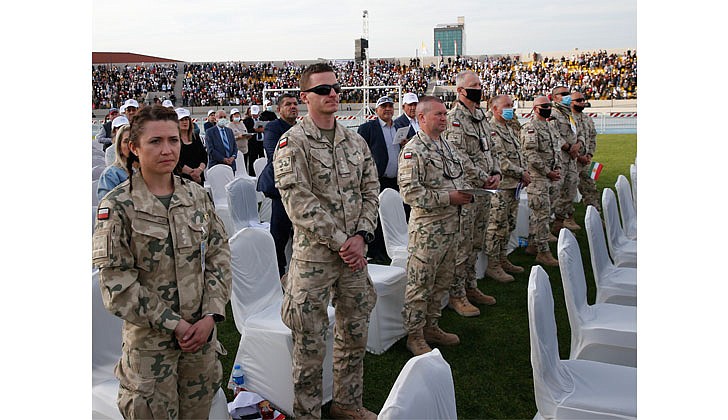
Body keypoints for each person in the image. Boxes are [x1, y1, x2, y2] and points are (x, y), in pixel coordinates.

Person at [92, 105, 231, 419]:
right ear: (134, 148)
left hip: (201, 341)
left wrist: (211, 314)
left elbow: (219, 255)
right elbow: (118, 287)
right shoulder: (117, 206)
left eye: (173, 140)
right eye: (155, 141)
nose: (167, 149)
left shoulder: (197, 196)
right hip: (150, 351)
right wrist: (177, 325)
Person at [273, 63, 379, 419]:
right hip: (314, 260)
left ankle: (347, 405)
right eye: (322, 90)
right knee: (309, 345)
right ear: (305, 98)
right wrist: (343, 243)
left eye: (335, 88)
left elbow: (371, 190)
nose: (332, 94)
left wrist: (362, 236)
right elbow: (298, 203)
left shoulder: (355, 141)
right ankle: (307, 414)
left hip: (353, 256)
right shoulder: (293, 143)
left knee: (354, 333)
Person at [398, 96, 492, 355]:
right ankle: (414, 335)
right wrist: (448, 197)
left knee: (441, 282)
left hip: (453, 227)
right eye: (438, 114)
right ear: (422, 118)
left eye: (444, 114)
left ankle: (432, 326)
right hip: (428, 232)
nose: (444, 118)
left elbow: (458, 177)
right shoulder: (413, 150)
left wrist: (472, 190)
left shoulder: (447, 146)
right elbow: (410, 193)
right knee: (421, 285)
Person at [444, 70, 500, 317]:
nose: (479, 87)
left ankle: (471, 285)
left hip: (485, 191)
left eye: (480, 83)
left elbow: (491, 148)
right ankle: (457, 295)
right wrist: (482, 177)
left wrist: (496, 172)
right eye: (473, 85)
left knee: (477, 241)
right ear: (460, 90)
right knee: (463, 245)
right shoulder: (454, 118)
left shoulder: (481, 116)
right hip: (467, 190)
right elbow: (458, 155)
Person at [485, 94, 531, 280]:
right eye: (506, 106)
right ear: (495, 109)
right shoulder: (492, 130)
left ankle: (503, 258)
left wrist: (523, 172)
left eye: (511, 105)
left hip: (514, 186)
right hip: (501, 187)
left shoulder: (509, 128)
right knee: (497, 226)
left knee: (509, 224)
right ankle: (492, 265)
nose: (511, 108)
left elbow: (519, 154)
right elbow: (500, 161)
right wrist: (522, 173)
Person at [357, 95, 404, 262]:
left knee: (393, 215)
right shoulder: (368, 128)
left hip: (395, 180)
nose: (388, 109)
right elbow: (360, 153)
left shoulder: (398, 127)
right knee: (376, 216)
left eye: (390, 106)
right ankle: (375, 250)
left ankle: (388, 247)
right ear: (377, 110)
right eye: (384, 107)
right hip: (378, 179)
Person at [258, 93, 298, 277]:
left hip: (299, 187)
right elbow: (275, 153)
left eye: (295, 104)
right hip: (280, 187)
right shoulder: (273, 128)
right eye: (288, 104)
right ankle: (278, 272)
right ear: (279, 109)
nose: (293, 107)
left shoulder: (300, 128)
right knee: (279, 233)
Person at [521, 97, 561, 266]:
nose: (548, 108)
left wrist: (556, 168)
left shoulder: (549, 126)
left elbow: (555, 149)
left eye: (549, 105)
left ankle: (532, 244)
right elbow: (531, 155)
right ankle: (543, 252)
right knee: (541, 214)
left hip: (548, 176)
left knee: (540, 213)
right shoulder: (530, 128)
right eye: (545, 106)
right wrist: (548, 172)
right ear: (536, 108)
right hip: (538, 178)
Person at [549, 86, 584, 232]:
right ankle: (546, 228)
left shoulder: (570, 114)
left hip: (572, 161)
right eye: (563, 94)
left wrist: (579, 144)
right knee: (556, 193)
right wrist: (569, 148)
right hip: (559, 160)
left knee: (570, 191)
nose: (567, 96)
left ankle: (560, 222)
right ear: (555, 97)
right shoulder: (552, 114)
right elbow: (553, 135)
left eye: (568, 94)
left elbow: (580, 132)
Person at [571, 91, 601, 211]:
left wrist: (589, 155)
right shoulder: (567, 120)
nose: (582, 102)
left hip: (586, 163)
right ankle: (565, 220)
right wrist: (578, 157)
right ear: (571, 103)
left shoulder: (587, 119)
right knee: (566, 192)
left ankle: (595, 215)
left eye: (583, 100)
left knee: (591, 189)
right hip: (571, 163)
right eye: (579, 100)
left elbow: (592, 138)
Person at [97, 123, 132, 201]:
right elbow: (105, 205)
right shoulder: (111, 174)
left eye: (134, 140)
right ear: (119, 146)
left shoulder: (149, 171)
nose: (131, 145)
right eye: (126, 141)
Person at [176, 107, 207, 185]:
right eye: (181, 120)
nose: (185, 122)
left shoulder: (195, 137)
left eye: (186, 119)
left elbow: (204, 156)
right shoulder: (174, 140)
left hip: (198, 178)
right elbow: (176, 162)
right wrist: (192, 173)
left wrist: (199, 170)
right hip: (182, 180)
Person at [243, 105, 266, 176]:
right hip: (253, 143)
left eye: (256, 114)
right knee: (252, 159)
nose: (255, 115)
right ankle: (252, 175)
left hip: (262, 142)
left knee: (263, 158)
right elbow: (246, 131)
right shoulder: (247, 121)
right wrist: (255, 130)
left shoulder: (263, 119)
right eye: (253, 114)